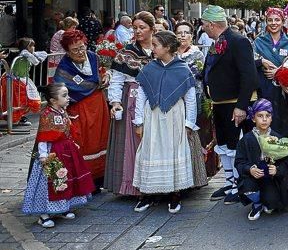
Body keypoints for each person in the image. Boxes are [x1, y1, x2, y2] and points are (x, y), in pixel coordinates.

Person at [131, 31, 197, 213]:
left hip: (174, 116)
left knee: (173, 151)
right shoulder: (150, 69)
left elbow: (190, 99)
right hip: (152, 116)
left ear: (167, 47)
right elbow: (141, 96)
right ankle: (147, 193)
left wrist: (189, 123)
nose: (152, 49)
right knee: (150, 150)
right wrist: (139, 121)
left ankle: (175, 194)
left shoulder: (183, 69)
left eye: (155, 45)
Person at [202, 5, 259, 205]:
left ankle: (239, 185)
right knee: (224, 145)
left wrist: (242, 106)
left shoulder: (238, 41)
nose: (202, 28)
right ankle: (229, 181)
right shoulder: (217, 42)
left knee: (235, 147)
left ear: (211, 24)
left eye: (203, 24)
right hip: (220, 103)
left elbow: (248, 75)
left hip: (235, 103)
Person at [22, 83, 94, 228]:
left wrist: (73, 143)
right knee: (49, 182)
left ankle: (63, 207)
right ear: (53, 100)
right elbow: (43, 137)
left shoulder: (62, 111)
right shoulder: (47, 114)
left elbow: (67, 129)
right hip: (52, 152)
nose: (68, 98)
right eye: (64, 95)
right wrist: (43, 155)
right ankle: (43, 215)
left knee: (65, 179)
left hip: (66, 150)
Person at [105, 11, 155, 196]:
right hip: (132, 98)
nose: (138, 31)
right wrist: (116, 102)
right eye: (135, 28)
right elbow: (117, 80)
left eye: (142, 27)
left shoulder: (160, 48)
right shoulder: (126, 52)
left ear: (152, 29)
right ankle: (133, 186)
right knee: (132, 141)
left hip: (155, 100)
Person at [54, 29, 111, 185]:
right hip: (79, 108)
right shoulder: (65, 67)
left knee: (100, 139)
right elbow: (59, 89)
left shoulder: (93, 57)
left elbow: (102, 73)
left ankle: (99, 178)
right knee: (83, 143)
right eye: (74, 50)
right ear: (67, 51)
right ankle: (84, 181)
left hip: (98, 106)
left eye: (81, 47)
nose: (80, 52)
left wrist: (106, 77)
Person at [235, 99, 288, 220]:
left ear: (271, 118)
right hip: (252, 177)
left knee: (272, 203)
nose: (264, 119)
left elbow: (286, 162)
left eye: (268, 116)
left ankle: (267, 201)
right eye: (260, 116)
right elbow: (239, 162)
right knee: (248, 189)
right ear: (253, 118)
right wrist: (250, 169)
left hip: (270, 178)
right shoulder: (246, 139)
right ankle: (257, 204)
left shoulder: (277, 138)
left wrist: (277, 170)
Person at [174, 21, 210, 187]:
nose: (182, 36)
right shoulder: (170, 52)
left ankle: (195, 174)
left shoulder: (197, 54)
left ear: (192, 36)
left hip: (193, 97)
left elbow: (199, 78)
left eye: (186, 32)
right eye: (179, 32)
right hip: (173, 100)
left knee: (192, 133)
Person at [253, 8, 288, 137]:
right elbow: (251, 61)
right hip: (263, 89)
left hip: (283, 92)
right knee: (263, 121)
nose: (274, 23)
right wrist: (262, 61)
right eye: (270, 20)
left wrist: (278, 73)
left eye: (277, 20)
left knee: (282, 123)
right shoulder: (259, 42)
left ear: (283, 21)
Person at [11, 37, 48, 126]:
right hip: (17, 80)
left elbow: (44, 54)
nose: (33, 48)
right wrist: (36, 57)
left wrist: (36, 55)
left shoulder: (27, 54)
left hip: (23, 80)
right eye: (31, 46)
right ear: (26, 47)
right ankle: (19, 117)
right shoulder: (24, 53)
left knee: (25, 99)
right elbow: (35, 61)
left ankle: (21, 117)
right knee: (20, 100)